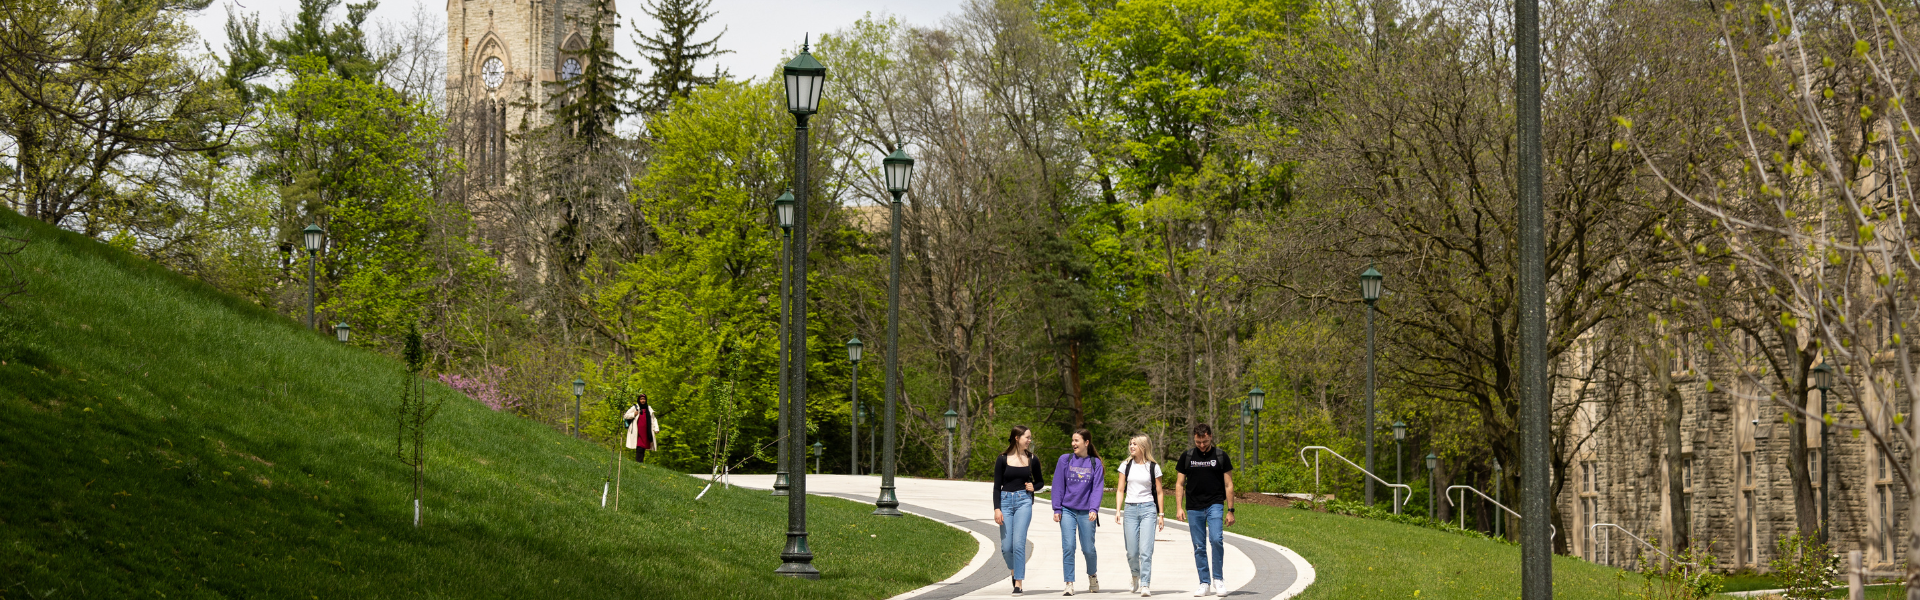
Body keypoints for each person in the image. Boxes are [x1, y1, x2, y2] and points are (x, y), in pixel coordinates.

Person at [1174, 423, 1234, 597]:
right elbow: (1179, 484)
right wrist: (1179, 507)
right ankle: (1204, 583)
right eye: (1199, 441)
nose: (1202, 445)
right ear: (1194, 438)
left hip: (1215, 503)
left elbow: (1229, 484)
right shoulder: (1187, 456)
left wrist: (1231, 510)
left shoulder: (1221, 456)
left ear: (1210, 437)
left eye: (1205, 441)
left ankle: (1218, 580)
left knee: (1216, 539)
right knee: (1199, 546)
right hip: (1194, 506)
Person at [1052, 428, 1104, 596]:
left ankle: (1092, 575)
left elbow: (1097, 489)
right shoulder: (1064, 460)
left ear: (1086, 443)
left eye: (1076, 441)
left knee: (1088, 548)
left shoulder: (1095, 463)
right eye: (1072, 440)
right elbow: (1058, 485)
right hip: (1067, 509)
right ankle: (1069, 583)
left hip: (1086, 511)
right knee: (1068, 546)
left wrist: (1094, 509)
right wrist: (1057, 508)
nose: (1073, 444)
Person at [1115, 433, 1166, 597]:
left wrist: (1161, 515)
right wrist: (1118, 510)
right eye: (1130, 444)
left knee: (1146, 550)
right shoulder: (1125, 466)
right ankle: (1135, 575)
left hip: (1148, 510)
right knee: (1131, 551)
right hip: (1130, 510)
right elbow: (1120, 489)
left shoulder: (1153, 467)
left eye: (1135, 444)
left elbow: (1159, 492)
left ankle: (1145, 584)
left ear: (1143, 447)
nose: (1131, 447)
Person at [993, 425, 1042, 596]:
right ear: (1017, 438)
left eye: (1030, 437)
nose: (1029, 440)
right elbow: (996, 487)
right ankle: (1014, 571)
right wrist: (997, 509)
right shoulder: (1002, 459)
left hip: (1023, 502)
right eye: (1027, 437)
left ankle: (1018, 583)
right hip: (1005, 502)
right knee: (1007, 547)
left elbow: (1040, 482)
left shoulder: (1032, 459)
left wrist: (1033, 486)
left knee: (1019, 543)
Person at [623, 394, 658, 463]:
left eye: (644, 399)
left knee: (644, 446)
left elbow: (653, 419)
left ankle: (640, 462)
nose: (643, 400)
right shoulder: (635, 407)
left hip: (646, 431)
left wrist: (656, 428)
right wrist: (633, 414)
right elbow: (625, 416)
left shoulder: (649, 408)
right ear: (639, 400)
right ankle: (638, 462)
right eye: (641, 399)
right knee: (639, 446)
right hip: (637, 431)